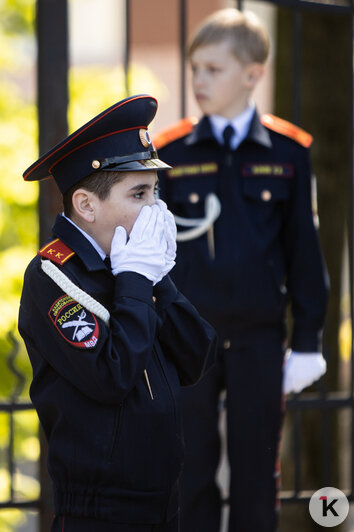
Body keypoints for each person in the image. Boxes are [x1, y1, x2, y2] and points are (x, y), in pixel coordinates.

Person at [154, 8, 329, 532]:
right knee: (191, 472)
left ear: (253, 73)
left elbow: (304, 249)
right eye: (194, 69)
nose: (199, 81)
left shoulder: (289, 152)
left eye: (213, 69)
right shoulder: (171, 151)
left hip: (259, 338)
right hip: (190, 340)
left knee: (257, 477)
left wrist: (309, 340)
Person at [18, 94, 217, 532]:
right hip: (101, 511)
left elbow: (195, 358)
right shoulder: (53, 276)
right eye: (140, 194)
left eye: (156, 192)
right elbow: (113, 376)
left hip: (163, 497)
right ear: (87, 205)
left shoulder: (131, 263)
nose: (156, 209)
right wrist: (136, 282)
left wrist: (159, 280)